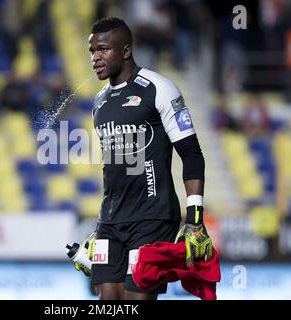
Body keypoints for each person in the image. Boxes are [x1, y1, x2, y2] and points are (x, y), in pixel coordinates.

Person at [74, 17, 213, 300]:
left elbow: (192, 155)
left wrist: (195, 219)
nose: (95, 58)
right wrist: (99, 229)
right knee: (108, 300)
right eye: (92, 51)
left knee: (137, 298)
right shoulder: (99, 103)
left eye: (103, 49)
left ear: (125, 51)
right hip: (110, 221)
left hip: (153, 217)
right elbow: (114, 167)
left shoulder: (159, 88)